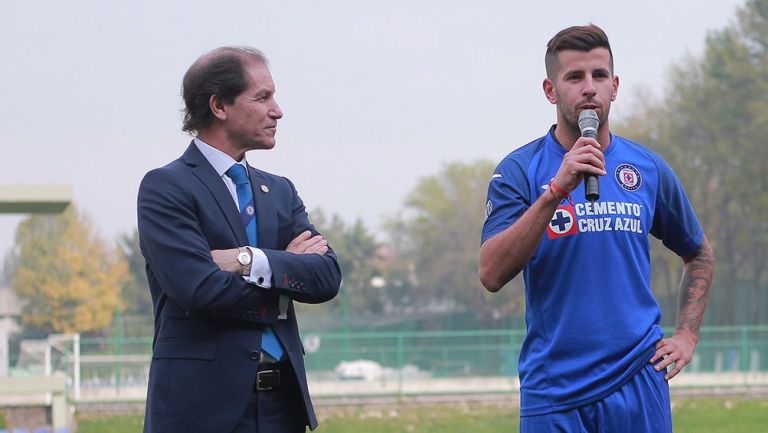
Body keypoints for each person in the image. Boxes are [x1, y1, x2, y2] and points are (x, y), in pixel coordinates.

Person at [479, 25, 714, 432]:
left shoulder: (647, 168)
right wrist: (555, 191)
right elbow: (491, 273)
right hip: (554, 391)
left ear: (615, 85)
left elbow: (699, 253)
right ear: (551, 91)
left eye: (599, 76)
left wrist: (687, 335)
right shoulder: (518, 171)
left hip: (638, 381)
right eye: (574, 77)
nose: (589, 88)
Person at [138, 46, 341, 433]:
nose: (277, 110)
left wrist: (249, 260)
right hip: (199, 411)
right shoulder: (166, 188)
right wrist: (284, 278)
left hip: (283, 407)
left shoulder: (279, 192)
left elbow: (327, 276)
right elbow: (198, 289)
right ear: (219, 106)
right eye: (262, 97)